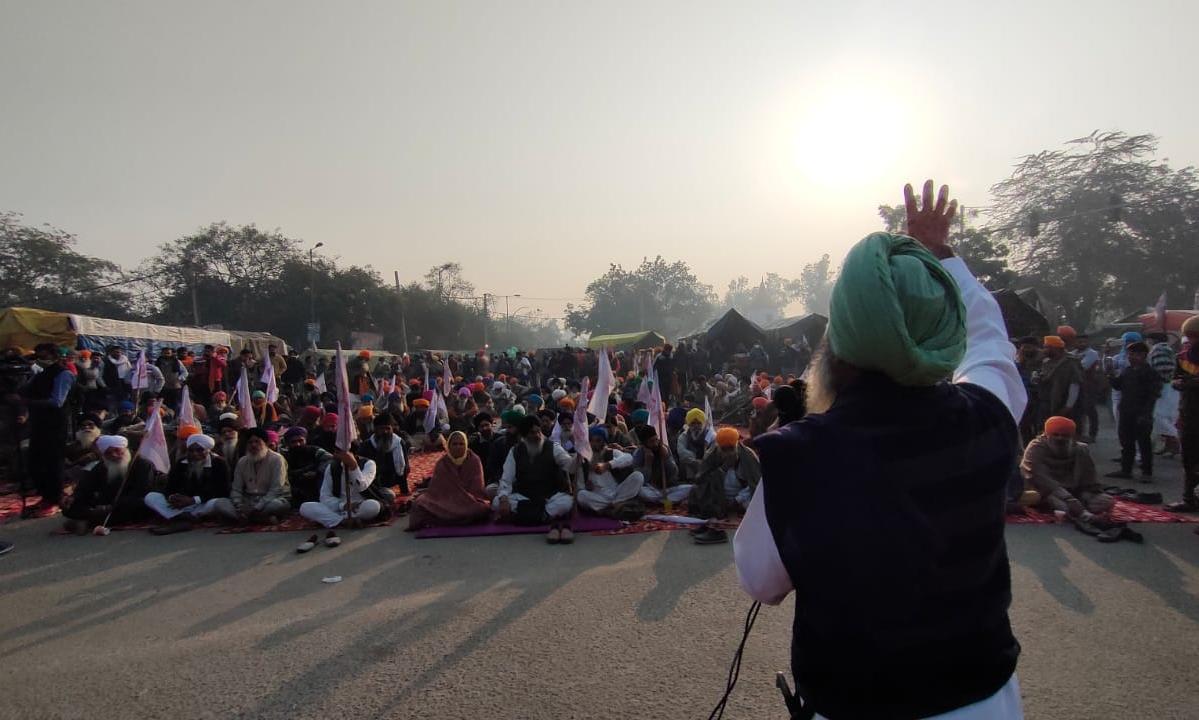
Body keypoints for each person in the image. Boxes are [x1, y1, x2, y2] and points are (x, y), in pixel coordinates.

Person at [735, 182, 1026, 719]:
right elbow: (990, 344)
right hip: (987, 704)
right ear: (944, 330)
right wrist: (941, 256)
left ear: (838, 341)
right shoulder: (989, 416)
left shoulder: (802, 456)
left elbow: (759, 579)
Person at [493, 415, 579, 543]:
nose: (537, 436)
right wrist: (504, 499)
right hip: (524, 497)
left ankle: (521, 517)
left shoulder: (553, 447)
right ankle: (544, 517)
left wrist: (578, 456)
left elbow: (570, 467)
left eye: (539, 431)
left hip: (549, 497)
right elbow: (506, 479)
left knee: (567, 502)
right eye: (532, 433)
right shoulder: (515, 451)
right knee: (496, 502)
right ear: (524, 436)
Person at [1021, 416, 1113, 526]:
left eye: (1064, 436)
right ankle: (1084, 515)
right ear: (1046, 435)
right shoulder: (1035, 448)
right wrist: (1068, 498)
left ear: (1072, 437)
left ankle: (1081, 510)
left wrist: (1089, 494)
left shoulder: (1081, 450)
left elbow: (1089, 480)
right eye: (1055, 435)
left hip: (1075, 492)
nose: (1060, 438)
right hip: (1047, 492)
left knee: (1106, 501)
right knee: (1060, 505)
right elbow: (1040, 478)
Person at [62, 435, 159, 533]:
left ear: (125, 448)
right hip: (104, 505)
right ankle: (91, 518)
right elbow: (85, 487)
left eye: (117, 450)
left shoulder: (143, 464)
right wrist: (73, 498)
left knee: (140, 505)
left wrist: (114, 505)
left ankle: (88, 521)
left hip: (128, 504)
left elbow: (143, 492)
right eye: (108, 453)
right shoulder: (101, 467)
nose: (114, 455)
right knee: (70, 508)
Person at [20, 344, 76, 510]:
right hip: (39, 422)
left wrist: (29, 402)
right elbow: (27, 390)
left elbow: (57, 401)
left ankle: (54, 495)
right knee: (35, 460)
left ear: (54, 355)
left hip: (55, 424)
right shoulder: (40, 373)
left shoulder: (63, 374)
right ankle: (44, 493)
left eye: (43, 356)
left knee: (52, 461)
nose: (40, 359)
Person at [145, 433, 230, 533]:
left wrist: (193, 500)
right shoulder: (181, 462)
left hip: (203, 503)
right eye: (191, 450)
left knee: (218, 503)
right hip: (182, 504)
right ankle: (183, 518)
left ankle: (178, 518)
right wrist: (172, 497)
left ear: (208, 450)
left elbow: (222, 490)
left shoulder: (219, 463)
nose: (194, 454)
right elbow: (170, 486)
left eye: (199, 450)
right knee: (151, 497)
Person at [407, 431, 491, 530]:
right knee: (419, 504)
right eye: (454, 444)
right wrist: (453, 498)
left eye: (461, 444)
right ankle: (459, 518)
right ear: (449, 445)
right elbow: (436, 491)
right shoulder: (442, 463)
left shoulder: (474, 460)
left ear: (466, 445)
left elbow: (477, 488)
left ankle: (445, 519)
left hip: (469, 500)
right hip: (445, 501)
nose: (458, 447)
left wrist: (463, 497)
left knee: (481, 508)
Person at [689, 427, 760, 538]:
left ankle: (717, 526)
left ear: (737, 446)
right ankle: (713, 523)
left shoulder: (748, 456)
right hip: (719, 495)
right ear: (718, 448)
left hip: (742, 497)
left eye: (731, 449)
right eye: (724, 450)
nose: (728, 453)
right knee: (695, 490)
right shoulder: (712, 455)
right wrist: (723, 469)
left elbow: (756, 484)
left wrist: (737, 500)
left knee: (757, 506)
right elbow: (701, 479)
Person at [213, 427, 290, 525]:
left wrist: (257, 507)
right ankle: (258, 518)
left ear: (265, 443)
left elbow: (276, 489)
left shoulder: (277, 459)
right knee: (219, 503)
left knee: (276, 505)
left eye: (257, 441)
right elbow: (236, 489)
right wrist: (239, 506)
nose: (253, 445)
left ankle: (241, 518)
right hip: (248, 501)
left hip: (271, 499)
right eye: (250, 442)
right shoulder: (242, 461)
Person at [298, 445, 382, 534]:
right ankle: (341, 521)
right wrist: (343, 505)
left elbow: (361, 486)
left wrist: (353, 467)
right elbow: (325, 496)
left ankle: (349, 518)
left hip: (361, 506)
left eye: (339, 453)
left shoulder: (368, 464)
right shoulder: (332, 467)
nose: (334, 455)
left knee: (373, 506)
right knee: (305, 507)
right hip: (339, 508)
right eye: (335, 452)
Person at [1106, 341, 1159, 480]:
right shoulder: (1128, 370)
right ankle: (1126, 469)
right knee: (1126, 442)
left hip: (1141, 412)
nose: (1131, 357)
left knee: (1144, 443)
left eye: (1135, 354)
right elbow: (1118, 386)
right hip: (1126, 410)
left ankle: (1146, 472)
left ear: (1143, 355)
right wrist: (1110, 375)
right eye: (1130, 354)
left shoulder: (1150, 373)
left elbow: (1153, 395)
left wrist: (1146, 413)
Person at [1167, 315, 1199, 512]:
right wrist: (1179, 383)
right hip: (1188, 415)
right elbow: (1174, 380)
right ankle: (1189, 499)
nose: (1193, 340)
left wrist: (1187, 383)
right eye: (1191, 336)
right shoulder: (1182, 357)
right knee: (1188, 460)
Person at [575, 426, 642, 516]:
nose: (594, 444)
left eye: (598, 441)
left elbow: (629, 458)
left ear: (604, 442)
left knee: (638, 476)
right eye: (591, 441)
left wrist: (607, 465)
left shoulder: (610, 453)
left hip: (618, 492)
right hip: (599, 496)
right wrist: (586, 487)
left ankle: (611, 506)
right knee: (581, 495)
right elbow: (580, 486)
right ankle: (617, 505)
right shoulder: (583, 460)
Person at [632, 425, 689, 506]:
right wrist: (648, 464)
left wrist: (667, 459)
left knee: (691, 488)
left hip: (668, 487)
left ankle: (662, 501)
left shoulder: (664, 448)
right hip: (651, 489)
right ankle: (666, 501)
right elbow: (641, 480)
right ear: (644, 443)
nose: (655, 444)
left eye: (656, 439)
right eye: (651, 441)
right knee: (641, 492)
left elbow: (674, 473)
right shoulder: (638, 454)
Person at [281, 426, 331, 508]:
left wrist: (317, 472)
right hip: (294, 485)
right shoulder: (284, 456)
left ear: (305, 440)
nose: (298, 444)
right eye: (293, 442)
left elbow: (329, 460)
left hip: (315, 483)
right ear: (288, 443)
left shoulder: (314, 450)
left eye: (300, 440)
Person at [359, 415, 406, 498]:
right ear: (375, 430)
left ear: (392, 429)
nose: (385, 432)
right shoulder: (367, 445)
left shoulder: (399, 443)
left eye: (388, 428)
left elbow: (404, 467)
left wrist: (404, 490)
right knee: (388, 496)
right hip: (372, 482)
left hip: (392, 479)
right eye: (381, 429)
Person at [1037, 335, 1080, 423]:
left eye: (1046, 347)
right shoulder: (1046, 362)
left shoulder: (1071, 362)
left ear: (1055, 348)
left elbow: (1074, 385)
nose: (1044, 350)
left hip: (1063, 405)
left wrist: (1068, 406)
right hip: (1046, 404)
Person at [676, 408, 715, 482]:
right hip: (689, 471)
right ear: (689, 424)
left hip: (708, 472)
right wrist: (695, 460)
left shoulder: (711, 436)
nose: (696, 426)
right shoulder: (684, 436)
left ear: (703, 424)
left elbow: (713, 452)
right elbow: (682, 453)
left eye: (699, 423)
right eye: (693, 423)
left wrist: (705, 459)